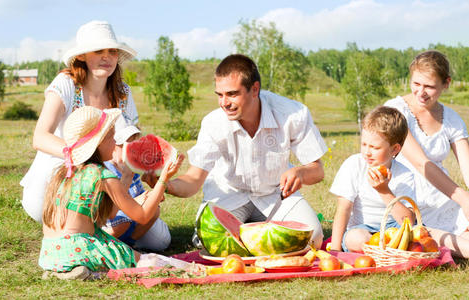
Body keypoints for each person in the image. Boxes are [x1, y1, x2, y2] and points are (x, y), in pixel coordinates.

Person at [163, 54, 327, 248]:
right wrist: (166, 185)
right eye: (220, 95)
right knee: (207, 242)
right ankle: (257, 236)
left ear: (254, 89)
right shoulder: (213, 123)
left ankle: (247, 236)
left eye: (232, 94)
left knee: (314, 237)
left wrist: (300, 172)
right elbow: (193, 179)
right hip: (228, 195)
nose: (224, 102)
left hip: (274, 194)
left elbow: (318, 171)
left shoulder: (293, 114)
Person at [38, 106, 184, 279]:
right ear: (98, 143)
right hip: (80, 247)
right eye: (111, 138)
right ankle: (90, 272)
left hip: (50, 251)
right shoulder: (102, 175)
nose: (115, 143)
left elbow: (111, 212)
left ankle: (65, 270)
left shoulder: (65, 171)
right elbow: (143, 216)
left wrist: (126, 177)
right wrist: (163, 179)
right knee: (146, 261)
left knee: (118, 249)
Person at [20, 20, 139, 223]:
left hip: (106, 176)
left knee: (158, 239)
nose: (106, 57)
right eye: (98, 50)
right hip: (58, 172)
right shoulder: (66, 84)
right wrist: (86, 156)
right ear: (82, 56)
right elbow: (40, 137)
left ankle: (109, 222)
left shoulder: (123, 91)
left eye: (112, 51)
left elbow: (134, 138)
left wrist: (136, 159)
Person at [385, 50, 469, 258]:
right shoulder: (395, 112)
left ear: (446, 83)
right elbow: (422, 164)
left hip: (445, 199)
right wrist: (464, 199)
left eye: (429, 86)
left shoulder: (451, 118)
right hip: (408, 203)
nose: (421, 92)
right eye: (416, 84)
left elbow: (467, 167)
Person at [330, 106, 416, 252]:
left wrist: (384, 191)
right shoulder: (354, 164)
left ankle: (386, 250)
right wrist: (335, 249)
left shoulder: (404, 174)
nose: (367, 152)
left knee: (426, 234)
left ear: (394, 149)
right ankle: (388, 251)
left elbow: (407, 221)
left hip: (394, 229)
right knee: (356, 239)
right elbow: (343, 209)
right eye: (364, 144)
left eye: (375, 148)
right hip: (362, 228)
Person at [102, 118, 171, 251]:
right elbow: (108, 210)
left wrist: (153, 196)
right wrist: (135, 201)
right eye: (126, 146)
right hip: (111, 222)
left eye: (135, 145)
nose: (132, 150)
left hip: (133, 218)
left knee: (155, 211)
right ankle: (107, 247)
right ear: (111, 145)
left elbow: (141, 196)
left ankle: (130, 244)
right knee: (122, 223)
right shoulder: (106, 171)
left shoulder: (131, 169)